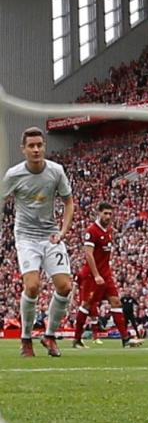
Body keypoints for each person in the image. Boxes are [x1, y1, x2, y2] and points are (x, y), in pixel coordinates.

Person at [1, 127, 75, 358]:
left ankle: (49, 336)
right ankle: (26, 339)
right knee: (32, 286)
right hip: (26, 237)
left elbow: (68, 202)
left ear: (44, 146)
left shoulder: (56, 171)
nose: (36, 149)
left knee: (65, 286)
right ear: (23, 149)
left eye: (39, 145)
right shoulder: (13, 175)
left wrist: (62, 231)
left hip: (51, 235)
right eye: (31, 146)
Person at [72, 202, 142, 349]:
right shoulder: (92, 231)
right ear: (99, 213)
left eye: (110, 214)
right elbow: (88, 254)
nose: (108, 216)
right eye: (105, 213)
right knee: (86, 305)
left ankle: (125, 339)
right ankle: (77, 339)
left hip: (106, 274)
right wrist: (96, 275)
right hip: (92, 275)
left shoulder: (109, 230)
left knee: (116, 302)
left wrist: (104, 274)